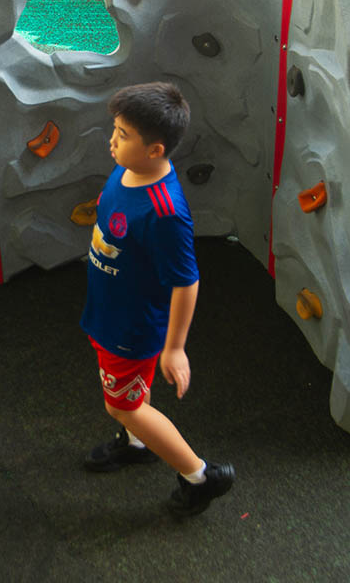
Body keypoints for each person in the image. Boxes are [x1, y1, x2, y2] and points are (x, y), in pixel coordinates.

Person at [81, 81, 235, 516]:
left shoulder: (165, 211)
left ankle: (200, 476)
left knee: (123, 405)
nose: (112, 141)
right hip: (109, 312)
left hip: (131, 328)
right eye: (115, 129)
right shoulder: (125, 169)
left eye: (123, 135)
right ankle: (135, 444)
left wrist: (175, 348)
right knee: (127, 398)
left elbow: (187, 281)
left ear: (155, 150)